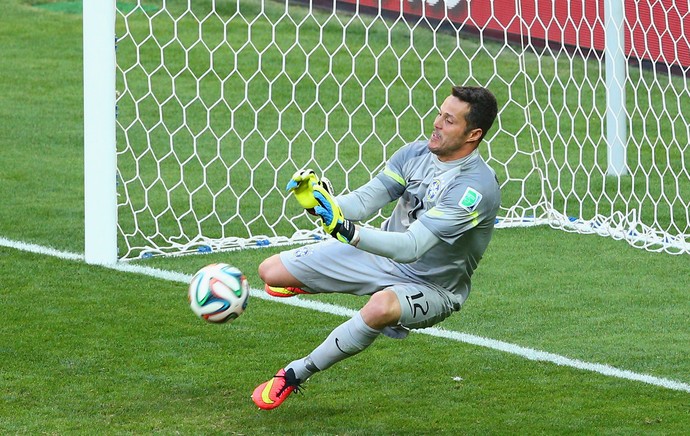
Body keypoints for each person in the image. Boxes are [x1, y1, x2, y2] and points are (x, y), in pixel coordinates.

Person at [252, 85, 500, 410]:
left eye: (449, 120)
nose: (437, 123)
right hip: (379, 257)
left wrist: (349, 232)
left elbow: (413, 247)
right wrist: (323, 203)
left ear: (473, 134)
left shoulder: (475, 189)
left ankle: (296, 373)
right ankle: (312, 282)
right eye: (440, 113)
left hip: (433, 287)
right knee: (269, 272)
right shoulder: (414, 154)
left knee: (381, 307)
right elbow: (365, 201)